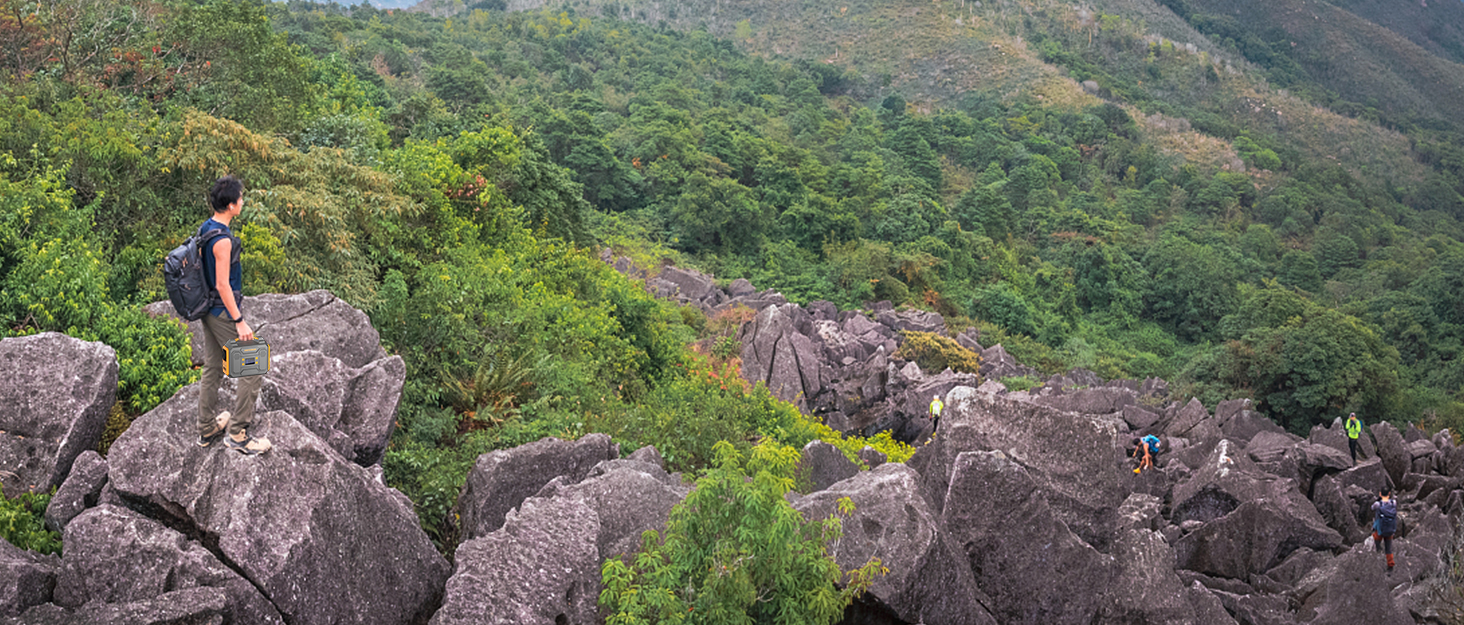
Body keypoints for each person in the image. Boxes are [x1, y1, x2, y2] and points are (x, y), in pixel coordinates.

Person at [196, 175, 271, 455]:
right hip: (222, 312)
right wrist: (239, 321)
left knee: (213, 368)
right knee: (254, 367)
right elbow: (222, 284)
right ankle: (238, 433)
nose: (242, 201)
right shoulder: (223, 241)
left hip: (207, 309)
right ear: (230, 206)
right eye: (240, 198)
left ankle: (206, 428)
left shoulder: (207, 227)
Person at [1371, 488, 1398, 573]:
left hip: (1380, 529)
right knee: (1388, 549)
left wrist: (1378, 500)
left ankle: (1375, 555)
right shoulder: (1394, 503)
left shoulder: (1378, 504)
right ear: (1389, 493)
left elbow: (1372, 508)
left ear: (1380, 493)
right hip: (1390, 529)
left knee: (1374, 542)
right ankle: (1390, 566)